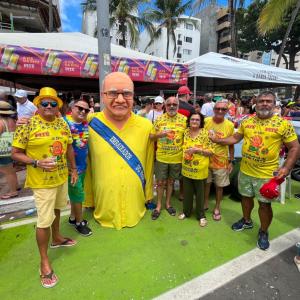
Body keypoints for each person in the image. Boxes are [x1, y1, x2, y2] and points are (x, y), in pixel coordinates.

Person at [210, 91, 299, 251]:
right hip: (245, 171)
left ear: (274, 104)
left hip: (266, 175)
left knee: (264, 206)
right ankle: (246, 220)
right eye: (261, 101)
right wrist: (217, 140)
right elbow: (235, 139)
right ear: (255, 103)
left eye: (268, 101)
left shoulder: (283, 124)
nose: (264, 104)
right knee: (245, 198)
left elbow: (294, 147)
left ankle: (263, 231)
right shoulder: (247, 121)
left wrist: (286, 167)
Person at [11, 87, 78, 288]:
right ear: (37, 105)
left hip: (60, 177)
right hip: (41, 182)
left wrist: (73, 169)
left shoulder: (62, 123)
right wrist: (36, 163)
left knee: (58, 209)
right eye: (44, 103)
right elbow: (15, 153)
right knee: (43, 220)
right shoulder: (27, 124)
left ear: (58, 105)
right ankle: (44, 262)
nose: (49, 106)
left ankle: (56, 238)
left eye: (53, 103)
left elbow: (68, 147)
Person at [84, 72, 154, 229]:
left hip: (136, 210)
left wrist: (148, 194)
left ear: (133, 96)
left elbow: (149, 165)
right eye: (113, 93)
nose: (120, 99)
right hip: (103, 209)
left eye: (127, 94)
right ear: (102, 96)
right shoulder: (90, 123)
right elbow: (86, 164)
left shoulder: (146, 126)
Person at [150, 96, 187, 220]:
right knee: (160, 183)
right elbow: (151, 136)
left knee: (171, 182)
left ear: (178, 106)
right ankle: (159, 205)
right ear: (165, 106)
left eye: (174, 104)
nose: (171, 106)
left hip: (176, 158)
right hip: (162, 157)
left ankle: (168, 204)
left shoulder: (184, 119)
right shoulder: (159, 119)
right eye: (169, 104)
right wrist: (160, 134)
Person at [178, 112, 215, 227]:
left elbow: (211, 152)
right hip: (187, 168)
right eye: (192, 119)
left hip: (200, 170)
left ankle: (201, 215)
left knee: (200, 195)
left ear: (201, 122)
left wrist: (197, 151)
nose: (194, 122)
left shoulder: (206, 133)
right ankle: (186, 212)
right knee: (187, 193)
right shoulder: (185, 132)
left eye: (197, 120)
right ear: (189, 121)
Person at [64, 99, 92, 236]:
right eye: (79, 108)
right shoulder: (64, 123)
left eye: (86, 110)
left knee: (76, 195)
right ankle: (79, 223)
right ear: (72, 108)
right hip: (72, 169)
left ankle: (72, 218)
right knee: (78, 196)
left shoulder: (84, 124)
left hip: (83, 167)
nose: (83, 111)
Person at [204, 101, 234, 219]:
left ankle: (217, 207)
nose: (220, 111)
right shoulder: (206, 121)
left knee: (219, 186)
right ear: (214, 109)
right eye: (218, 109)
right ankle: (205, 202)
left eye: (223, 109)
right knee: (206, 183)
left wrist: (231, 160)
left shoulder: (230, 125)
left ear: (226, 111)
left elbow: (231, 144)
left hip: (221, 160)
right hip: (205, 159)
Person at [0, 101, 19, 199]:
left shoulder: (1, 122)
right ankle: (16, 186)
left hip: (3, 151)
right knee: (11, 170)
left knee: (7, 171)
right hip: (12, 148)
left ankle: (13, 191)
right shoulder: (12, 121)